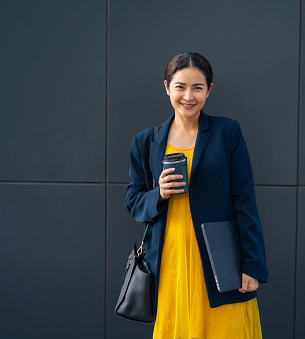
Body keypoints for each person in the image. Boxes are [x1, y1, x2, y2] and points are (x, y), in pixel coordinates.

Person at [126, 52, 269, 339]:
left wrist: (251, 264)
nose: (188, 96)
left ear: (209, 89)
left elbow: (244, 200)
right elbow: (134, 201)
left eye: (197, 87)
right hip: (170, 261)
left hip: (221, 260)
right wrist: (160, 194)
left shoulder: (227, 132)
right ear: (167, 87)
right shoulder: (146, 141)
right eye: (180, 86)